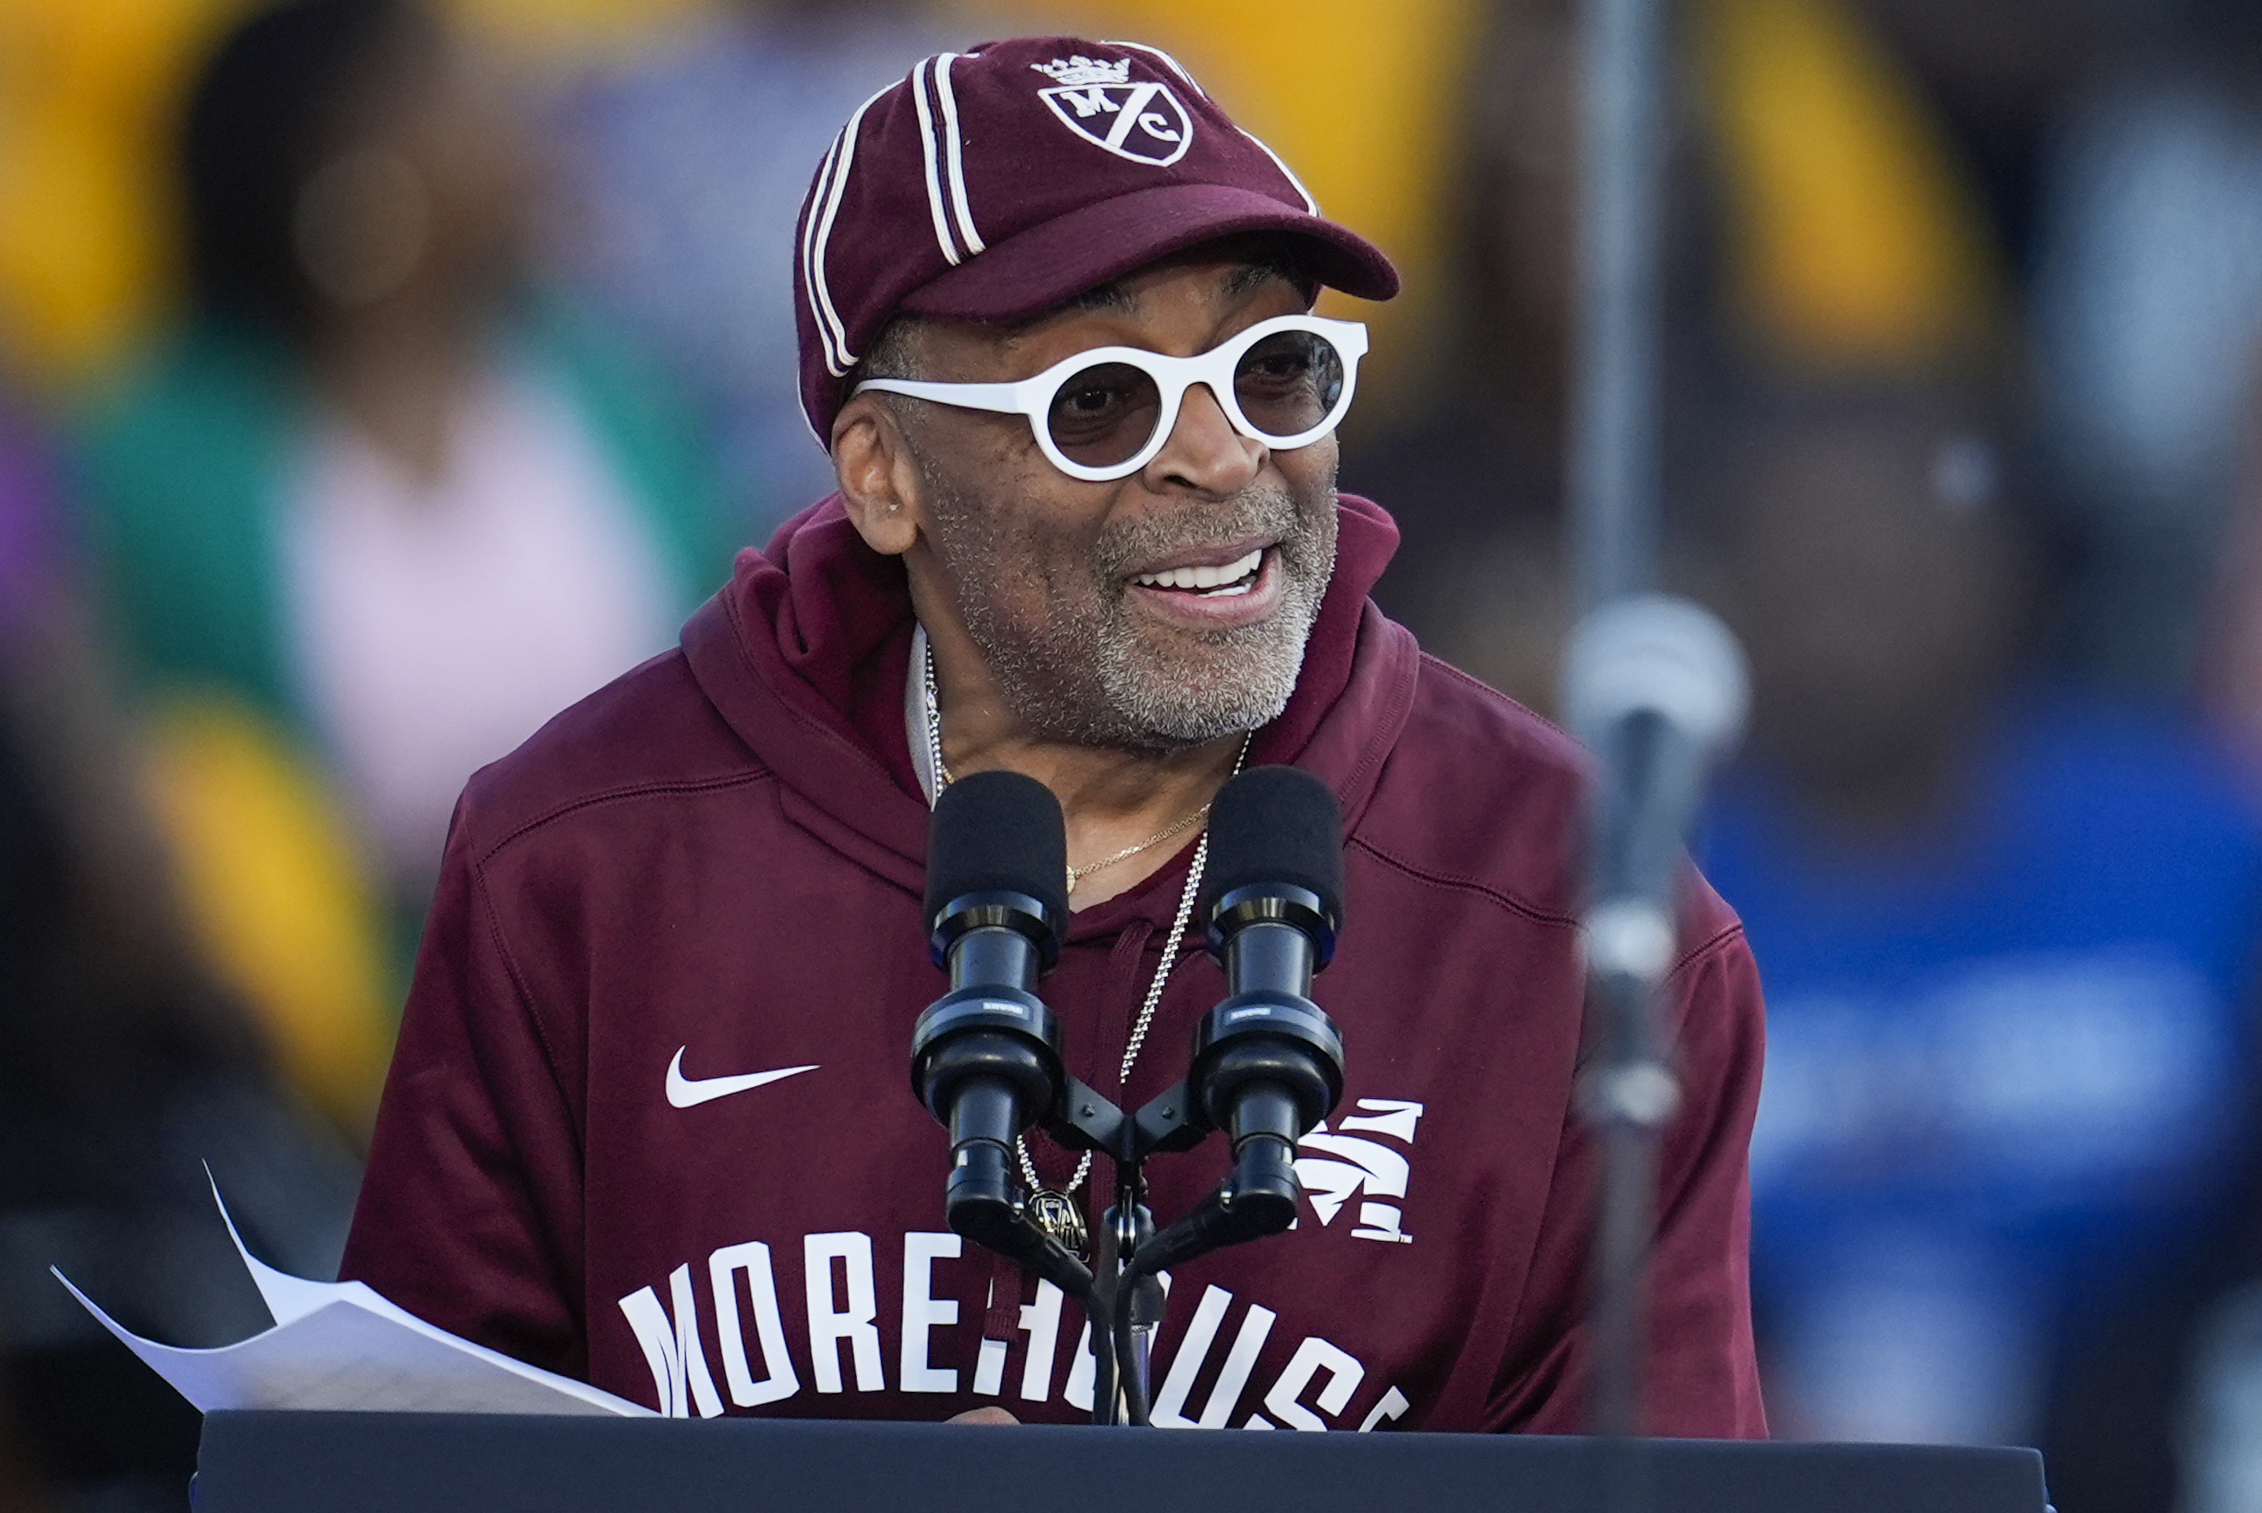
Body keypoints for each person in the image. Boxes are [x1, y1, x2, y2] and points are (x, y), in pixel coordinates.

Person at [341, 37, 1767, 1434]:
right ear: (883, 477)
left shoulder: (1575, 916)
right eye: (1099, 401)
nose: (1221, 457)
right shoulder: (579, 860)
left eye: (1270, 369)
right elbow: (389, 1479)